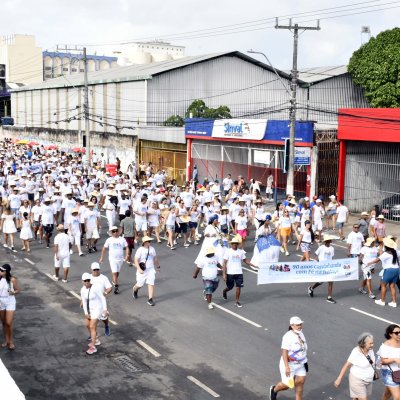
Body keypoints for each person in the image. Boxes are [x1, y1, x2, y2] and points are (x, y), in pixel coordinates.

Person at [269, 316, 308, 400]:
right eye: (297, 325)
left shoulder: (300, 333)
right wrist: (287, 367)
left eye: (300, 324)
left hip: (300, 364)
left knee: (300, 381)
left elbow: (302, 347)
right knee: (287, 385)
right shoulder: (287, 336)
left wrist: (304, 360)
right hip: (289, 365)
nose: (300, 326)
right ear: (292, 325)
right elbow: (284, 352)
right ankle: (274, 390)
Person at [334, 332, 376, 400]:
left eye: (372, 343)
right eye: (370, 343)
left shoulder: (371, 350)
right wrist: (339, 379)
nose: (372, 345)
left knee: (356, 398)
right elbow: (346, 365)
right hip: (357, 380)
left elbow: (372, 363)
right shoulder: (356, 352)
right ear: (364, 343)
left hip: (368, 380)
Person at [222, 237, 255, 308]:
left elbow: (245, 260)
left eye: (236, 244)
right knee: (230, 287)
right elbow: (224, 263)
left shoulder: (240, 252)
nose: (234, 245)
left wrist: (253, 265)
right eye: (233, 244)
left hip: (239, 273)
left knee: (238, 287)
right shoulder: (228, 251)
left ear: (237, 244)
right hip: (230, 273)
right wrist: (224, 274)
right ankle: (224, 291)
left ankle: (236, 301)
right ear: (231, 244)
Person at [80, 272, 108, 355]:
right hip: (90, 310)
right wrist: (86, 313)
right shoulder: (82, 290)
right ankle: (95, 340)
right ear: (82, 281)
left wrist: (105, 309)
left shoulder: (96, 288)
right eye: (85, 281)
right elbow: (84, 302)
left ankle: (93, 347)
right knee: (87, 325)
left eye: (88, 280)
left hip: (98, 309)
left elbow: (103, 298)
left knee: (92, 326)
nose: (87, 282)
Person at [367, 237, 399, 307]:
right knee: (392, 286)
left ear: (386, 246)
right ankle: (394, 302)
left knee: (383, 285)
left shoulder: (386, 254)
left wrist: (370, 263)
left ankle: (382, 301)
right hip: (396, 270)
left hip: (389, 270)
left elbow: (377, 259)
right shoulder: (396, 252)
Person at [99, 225, 129, 295]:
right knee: (114, 272)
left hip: (120, 259)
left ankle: (114, 281)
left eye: (116, 231)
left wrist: (127, 255)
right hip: (112, 259)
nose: (115, 232)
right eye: (113, 231)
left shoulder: (122, 239)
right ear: (112, 233)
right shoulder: (109, 240)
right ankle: (116, 286)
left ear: (118, 232)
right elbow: (104, 248)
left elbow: (127, 247)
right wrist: (102, 257)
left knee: (117, 273)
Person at [132, 236, 160, 306]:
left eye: (150, 241)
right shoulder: (140, 250)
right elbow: (136, 260)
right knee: (139, 285)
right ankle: (135, 289)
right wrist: (139, 269)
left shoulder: (152, 249)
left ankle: (150, 299)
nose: (150, 242)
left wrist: (158, 266)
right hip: (142, 270)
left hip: (151, 269)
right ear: (145, 242)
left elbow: (155, 258)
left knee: (151, 283)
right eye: (149, 241)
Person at [307, 235, 336, 304]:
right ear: (326, 241)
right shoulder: (321, 247)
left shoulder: (332, 248)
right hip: (322, 267)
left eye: (330, 240)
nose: (330, 241)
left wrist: (333, 265)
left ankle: (329, 297)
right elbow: (316, 256)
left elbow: (331, 258)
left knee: (331, 281)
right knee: (321, 281)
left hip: (329, 267)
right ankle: (311, 288)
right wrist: (317, 263)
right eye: (329, 240)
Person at [0, 264, 21, 351]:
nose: (0, 272)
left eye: (2, 271)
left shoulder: (12, 280)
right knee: (4, 323)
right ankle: (6, 340)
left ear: (7, 272)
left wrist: (13, 292)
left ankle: (11, 341)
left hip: (10, 301)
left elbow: (18, 290)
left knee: (8, 322)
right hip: (1, 301)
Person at [377, 324, 400, 400]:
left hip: (398, 372)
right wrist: (394, 359)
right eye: (396, 333)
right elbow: (383, 361)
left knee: (387, 395)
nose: (399, 334)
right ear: (390, 334)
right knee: (397, 397)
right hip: (389, 373)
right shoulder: (385, 346)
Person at [89, 262, 112, 337]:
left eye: (97, 269)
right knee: (92, 318)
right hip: (92, 301)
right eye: (94, 270)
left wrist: (105, 293)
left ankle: (107, 326)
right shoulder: (89, 278)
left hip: (101, 302)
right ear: (91, 270)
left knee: (103, 317)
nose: (96, 271)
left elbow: (109, 288)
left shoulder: (103, 278)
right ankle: (93, 333)